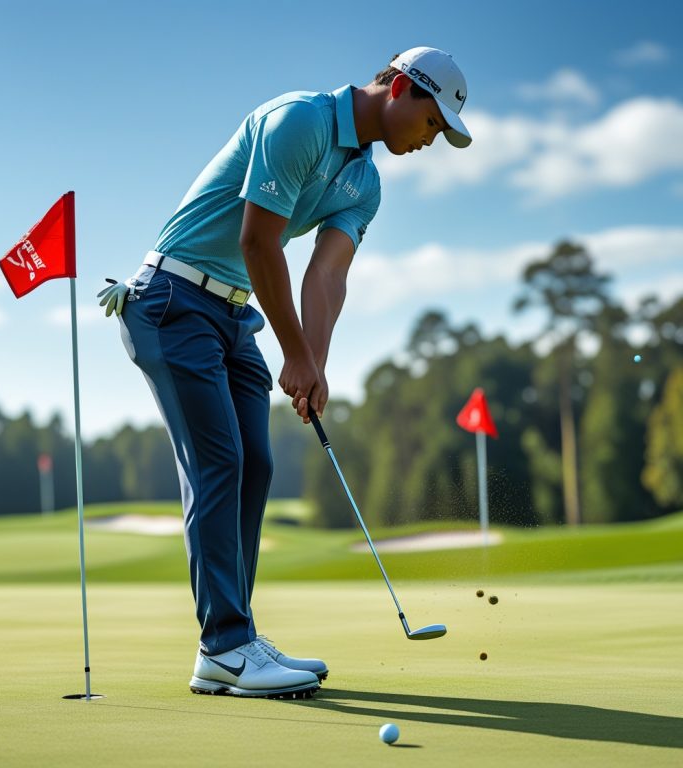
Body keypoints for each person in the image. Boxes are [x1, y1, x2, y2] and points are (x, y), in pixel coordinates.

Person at [98, 46, 472, 700]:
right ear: (403, 89)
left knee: (256, 465)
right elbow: (256, 241)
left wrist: (314, 363)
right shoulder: (298, 120)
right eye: (432, 123)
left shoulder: (366, 183)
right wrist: (293, 354)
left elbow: (327, 275)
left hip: (234, 313)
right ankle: (225, 645)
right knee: (219, 462)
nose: (429, 139)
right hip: (171, 299)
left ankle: (233, 638)